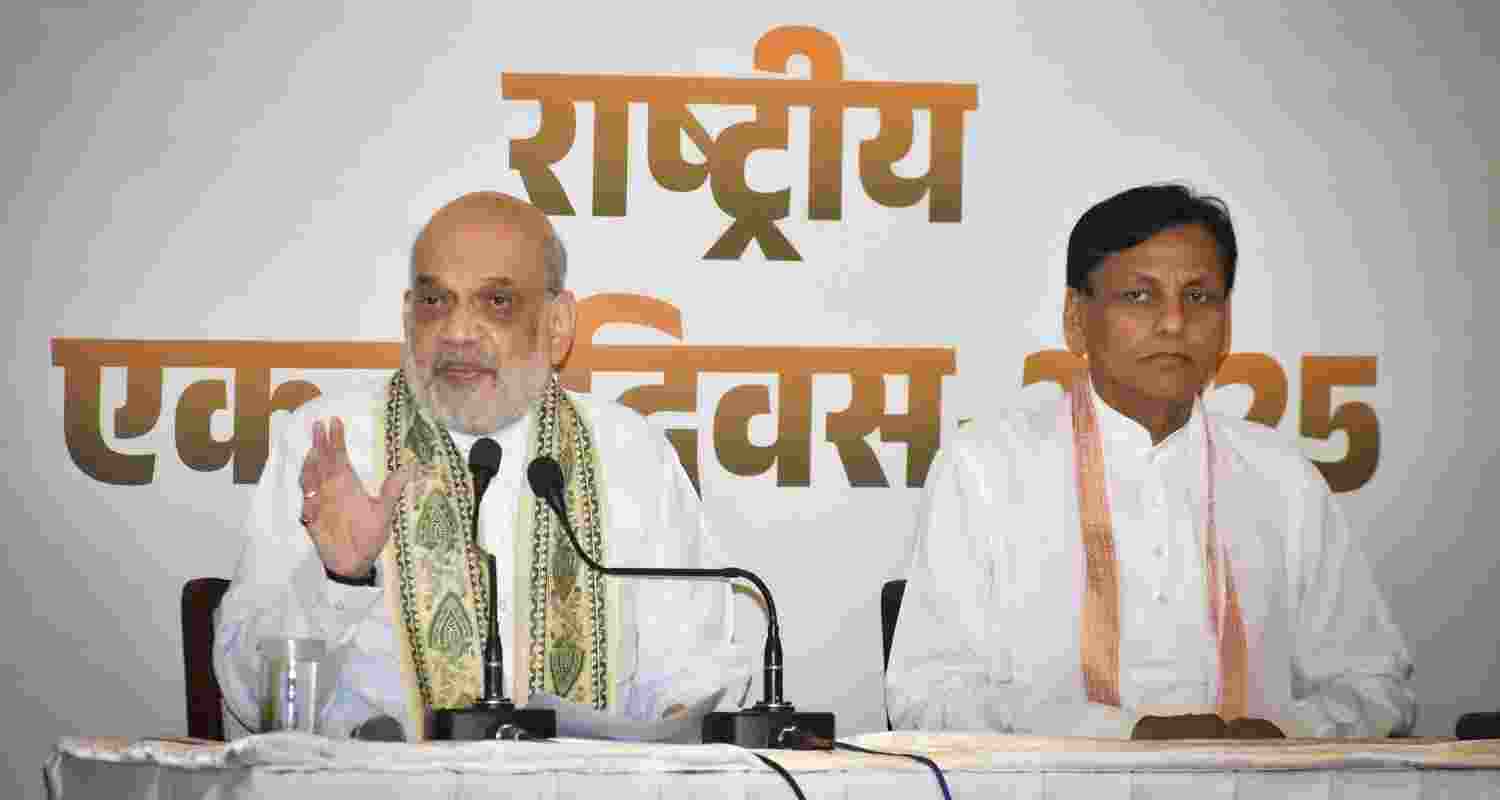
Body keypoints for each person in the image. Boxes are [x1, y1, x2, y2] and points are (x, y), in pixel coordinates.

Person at [885, 183, 1415, 738]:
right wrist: (1121, 736)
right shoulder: (987, 469)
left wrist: (1285, 732)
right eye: (1139, 297)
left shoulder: (1282, 480)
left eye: (1199, 297)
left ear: (1227, 323)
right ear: (1075, 319)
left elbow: (1378, 685)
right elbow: (929, 696)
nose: (1173, 323)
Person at [215, 192, 749, 740]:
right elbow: (246, 696)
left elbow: (696, 679)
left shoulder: (631, 454)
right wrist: (337, 580)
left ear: (558, 325)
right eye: (435, 302)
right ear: (407, 315)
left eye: (497, 302)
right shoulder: (330, 444)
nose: (458, 333)